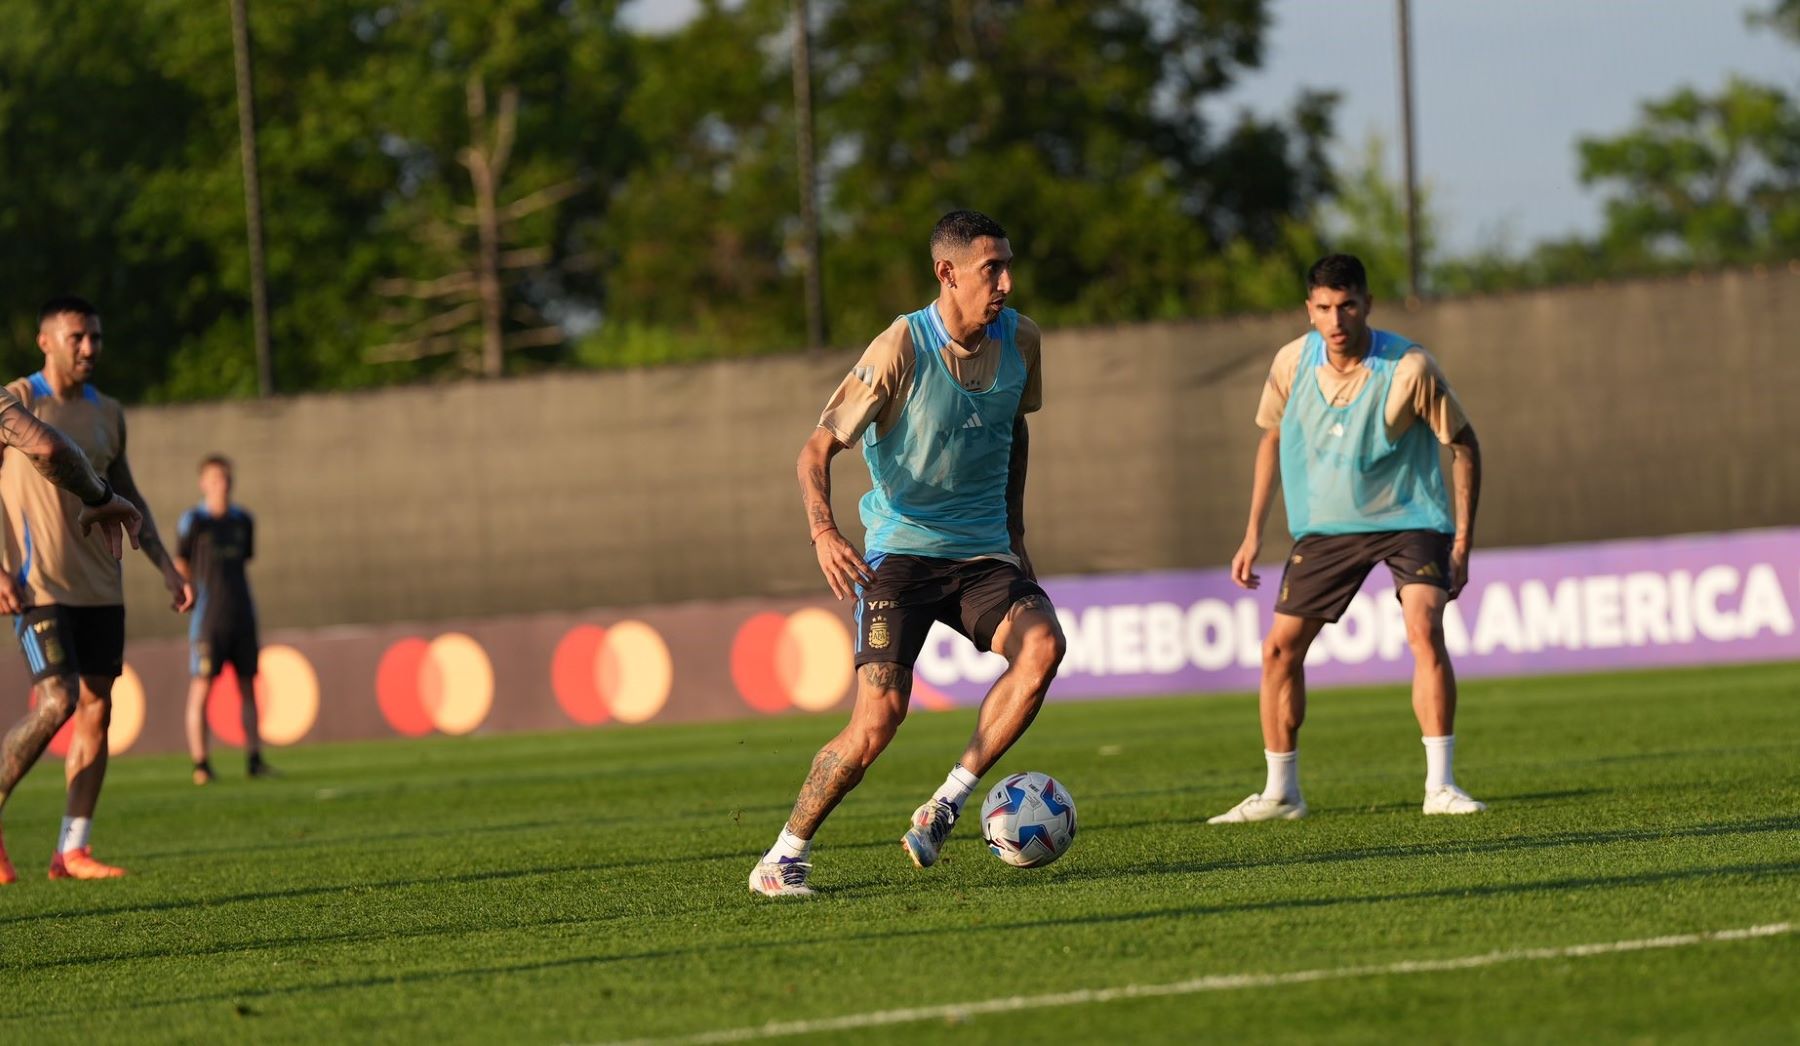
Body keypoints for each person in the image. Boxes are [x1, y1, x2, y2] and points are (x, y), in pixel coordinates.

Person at [749, 210, 1067, 897]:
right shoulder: (901, 345)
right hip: (900, 557)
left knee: (1043, 648)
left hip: (984, 557)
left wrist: (1016, 542)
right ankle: (782, 856)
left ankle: (947, 802)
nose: (1007, 282)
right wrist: (824, 533)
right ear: (946, 273)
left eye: (1009, 265)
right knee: (878, 719)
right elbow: (815, 450)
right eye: (992, 269)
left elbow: (1015, 436)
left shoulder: (1024, 342)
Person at [1212, 254, 1485, 823]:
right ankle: (1282, 793)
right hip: (1329, 526)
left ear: (1366, 304)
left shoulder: (1410, 368)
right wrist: (1251, 532)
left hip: (1411, 518)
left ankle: (1441, 786)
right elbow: (1271, 439)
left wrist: (1461, 542)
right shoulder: (1291, 361)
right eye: (1323, 308)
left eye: (1347, 305)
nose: (1336, 319)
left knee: (1423, 627)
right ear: (1309, 310)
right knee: (1278, 650)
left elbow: (1464, 445)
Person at [0, 296, 193, 884]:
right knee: (58, 700)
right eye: (78, 336)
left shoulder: (110, 411)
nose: (90, 348)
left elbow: (126, 495)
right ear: (46, 341)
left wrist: (165, 565)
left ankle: (72, 850)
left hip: (103, 586)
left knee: (98, 709)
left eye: (96, 338)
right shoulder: (17, 401)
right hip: (38, 585)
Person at [176, 455, 271, 785]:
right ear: (203, 483)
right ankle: (201, 763)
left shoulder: (243, 520)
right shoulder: (194, 521)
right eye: (215, 479)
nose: (222, 485)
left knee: (248, 686)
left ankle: (255, 758)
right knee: (201, 688)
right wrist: (184, 592)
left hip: (241, 613)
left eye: (226, 479)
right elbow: (182, 561)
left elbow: (244, 560)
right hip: (208, 618)